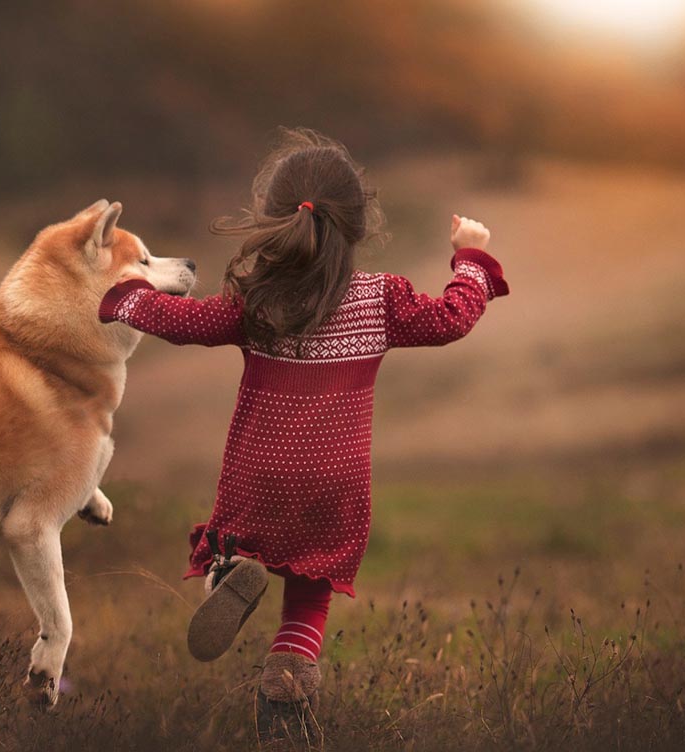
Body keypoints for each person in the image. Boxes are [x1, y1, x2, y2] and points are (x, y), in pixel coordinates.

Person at [98, 128, 508, 740]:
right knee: (309, 597)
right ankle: (285, 686)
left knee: (238, 541)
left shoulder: (257, 303)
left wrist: (125, 294)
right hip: (335, 486)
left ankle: (230, 570)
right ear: (356, 226)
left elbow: (182, 321)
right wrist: (470, 258)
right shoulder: (380, 299)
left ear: (275, 222)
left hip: (260, 474)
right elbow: (453, 318)